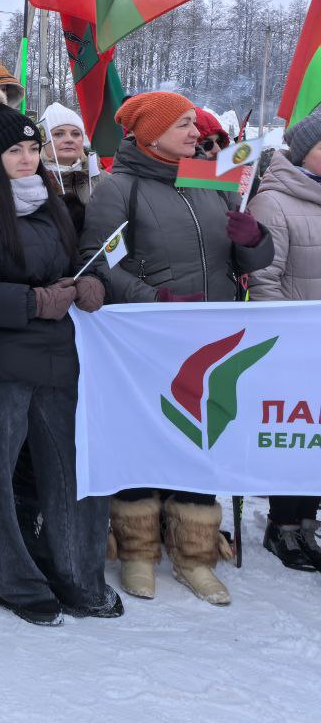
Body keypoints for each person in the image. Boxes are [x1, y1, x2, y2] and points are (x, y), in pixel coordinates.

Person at [80, 91, 273, 606]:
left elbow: (248, 258)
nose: (195, 132)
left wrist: (254, 239)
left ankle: (195, 556)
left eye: (194, 123)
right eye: (183, 124)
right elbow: (97, 261)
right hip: (148, 339)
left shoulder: (210, 179)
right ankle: (137, 552)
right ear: (150, 133)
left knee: (202, 438)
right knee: (145, 437)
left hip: (212, 335)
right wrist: (154, 299)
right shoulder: (118, 187)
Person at [0, 87, 120, 627]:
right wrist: (32, 301)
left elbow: (78, 261)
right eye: (15, 151)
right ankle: (14, 582)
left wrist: (92, 282)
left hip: (57, 356)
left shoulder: (51, 201)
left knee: (72, 470)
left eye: (32, 148)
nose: (27, 159)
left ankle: (77, 575)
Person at [248, 108, 321, 571]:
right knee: (297, 435)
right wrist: (285, 338)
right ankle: (284, 525)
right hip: (297, 344)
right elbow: (264, 278)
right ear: (303, 150)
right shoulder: (273, 202)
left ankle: (308, 521)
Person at [39, 102, 100, 232]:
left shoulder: (103, 180)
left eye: (76, 134)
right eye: (58, 134)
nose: (69, 139)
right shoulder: (32, 181)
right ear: (44, 142)